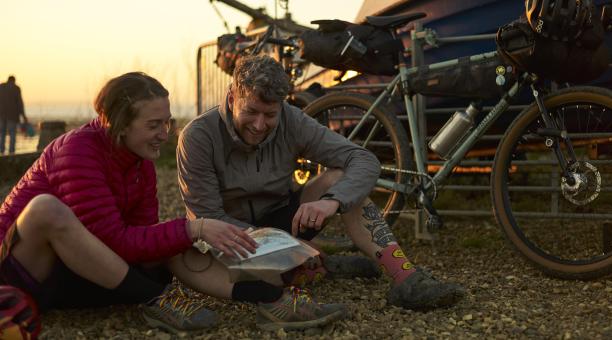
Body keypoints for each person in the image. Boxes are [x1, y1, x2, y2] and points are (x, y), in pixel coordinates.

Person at [0, 71, 345, 334]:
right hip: (20, 277)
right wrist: (194, 227)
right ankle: (156, 299)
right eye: (154, 124)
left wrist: (189, 235)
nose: (166, 134)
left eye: (168, 122)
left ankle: (271, 301)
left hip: (82, 277)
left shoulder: (140, 163)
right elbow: (112, 240)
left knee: (169, 239)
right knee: (46, 208)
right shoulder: (77, 151)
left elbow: (141, 240)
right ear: (119, 123)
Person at [177, 55, 465, 314]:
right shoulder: (197, 137)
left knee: (340, 178)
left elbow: (362, 159)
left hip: (283, 216)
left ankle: (406, 278)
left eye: (270, 114)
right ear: (231, 97)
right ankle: (320, 266)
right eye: (251, 111)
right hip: (229, 234)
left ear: (282, 105)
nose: (260, 124)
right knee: (246, 278)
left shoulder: (292, 120)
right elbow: (208, 218)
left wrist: (332, 201)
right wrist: (280, 245)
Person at [0, 76, 28, 155]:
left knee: (2, 133)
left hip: (1, 115)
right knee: (12, 133)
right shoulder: (16, 88)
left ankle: (1, 151)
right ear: (13, 81)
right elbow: (20, 103)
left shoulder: (1, 87)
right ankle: (11, 152)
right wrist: (23, 116)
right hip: (12, 115)